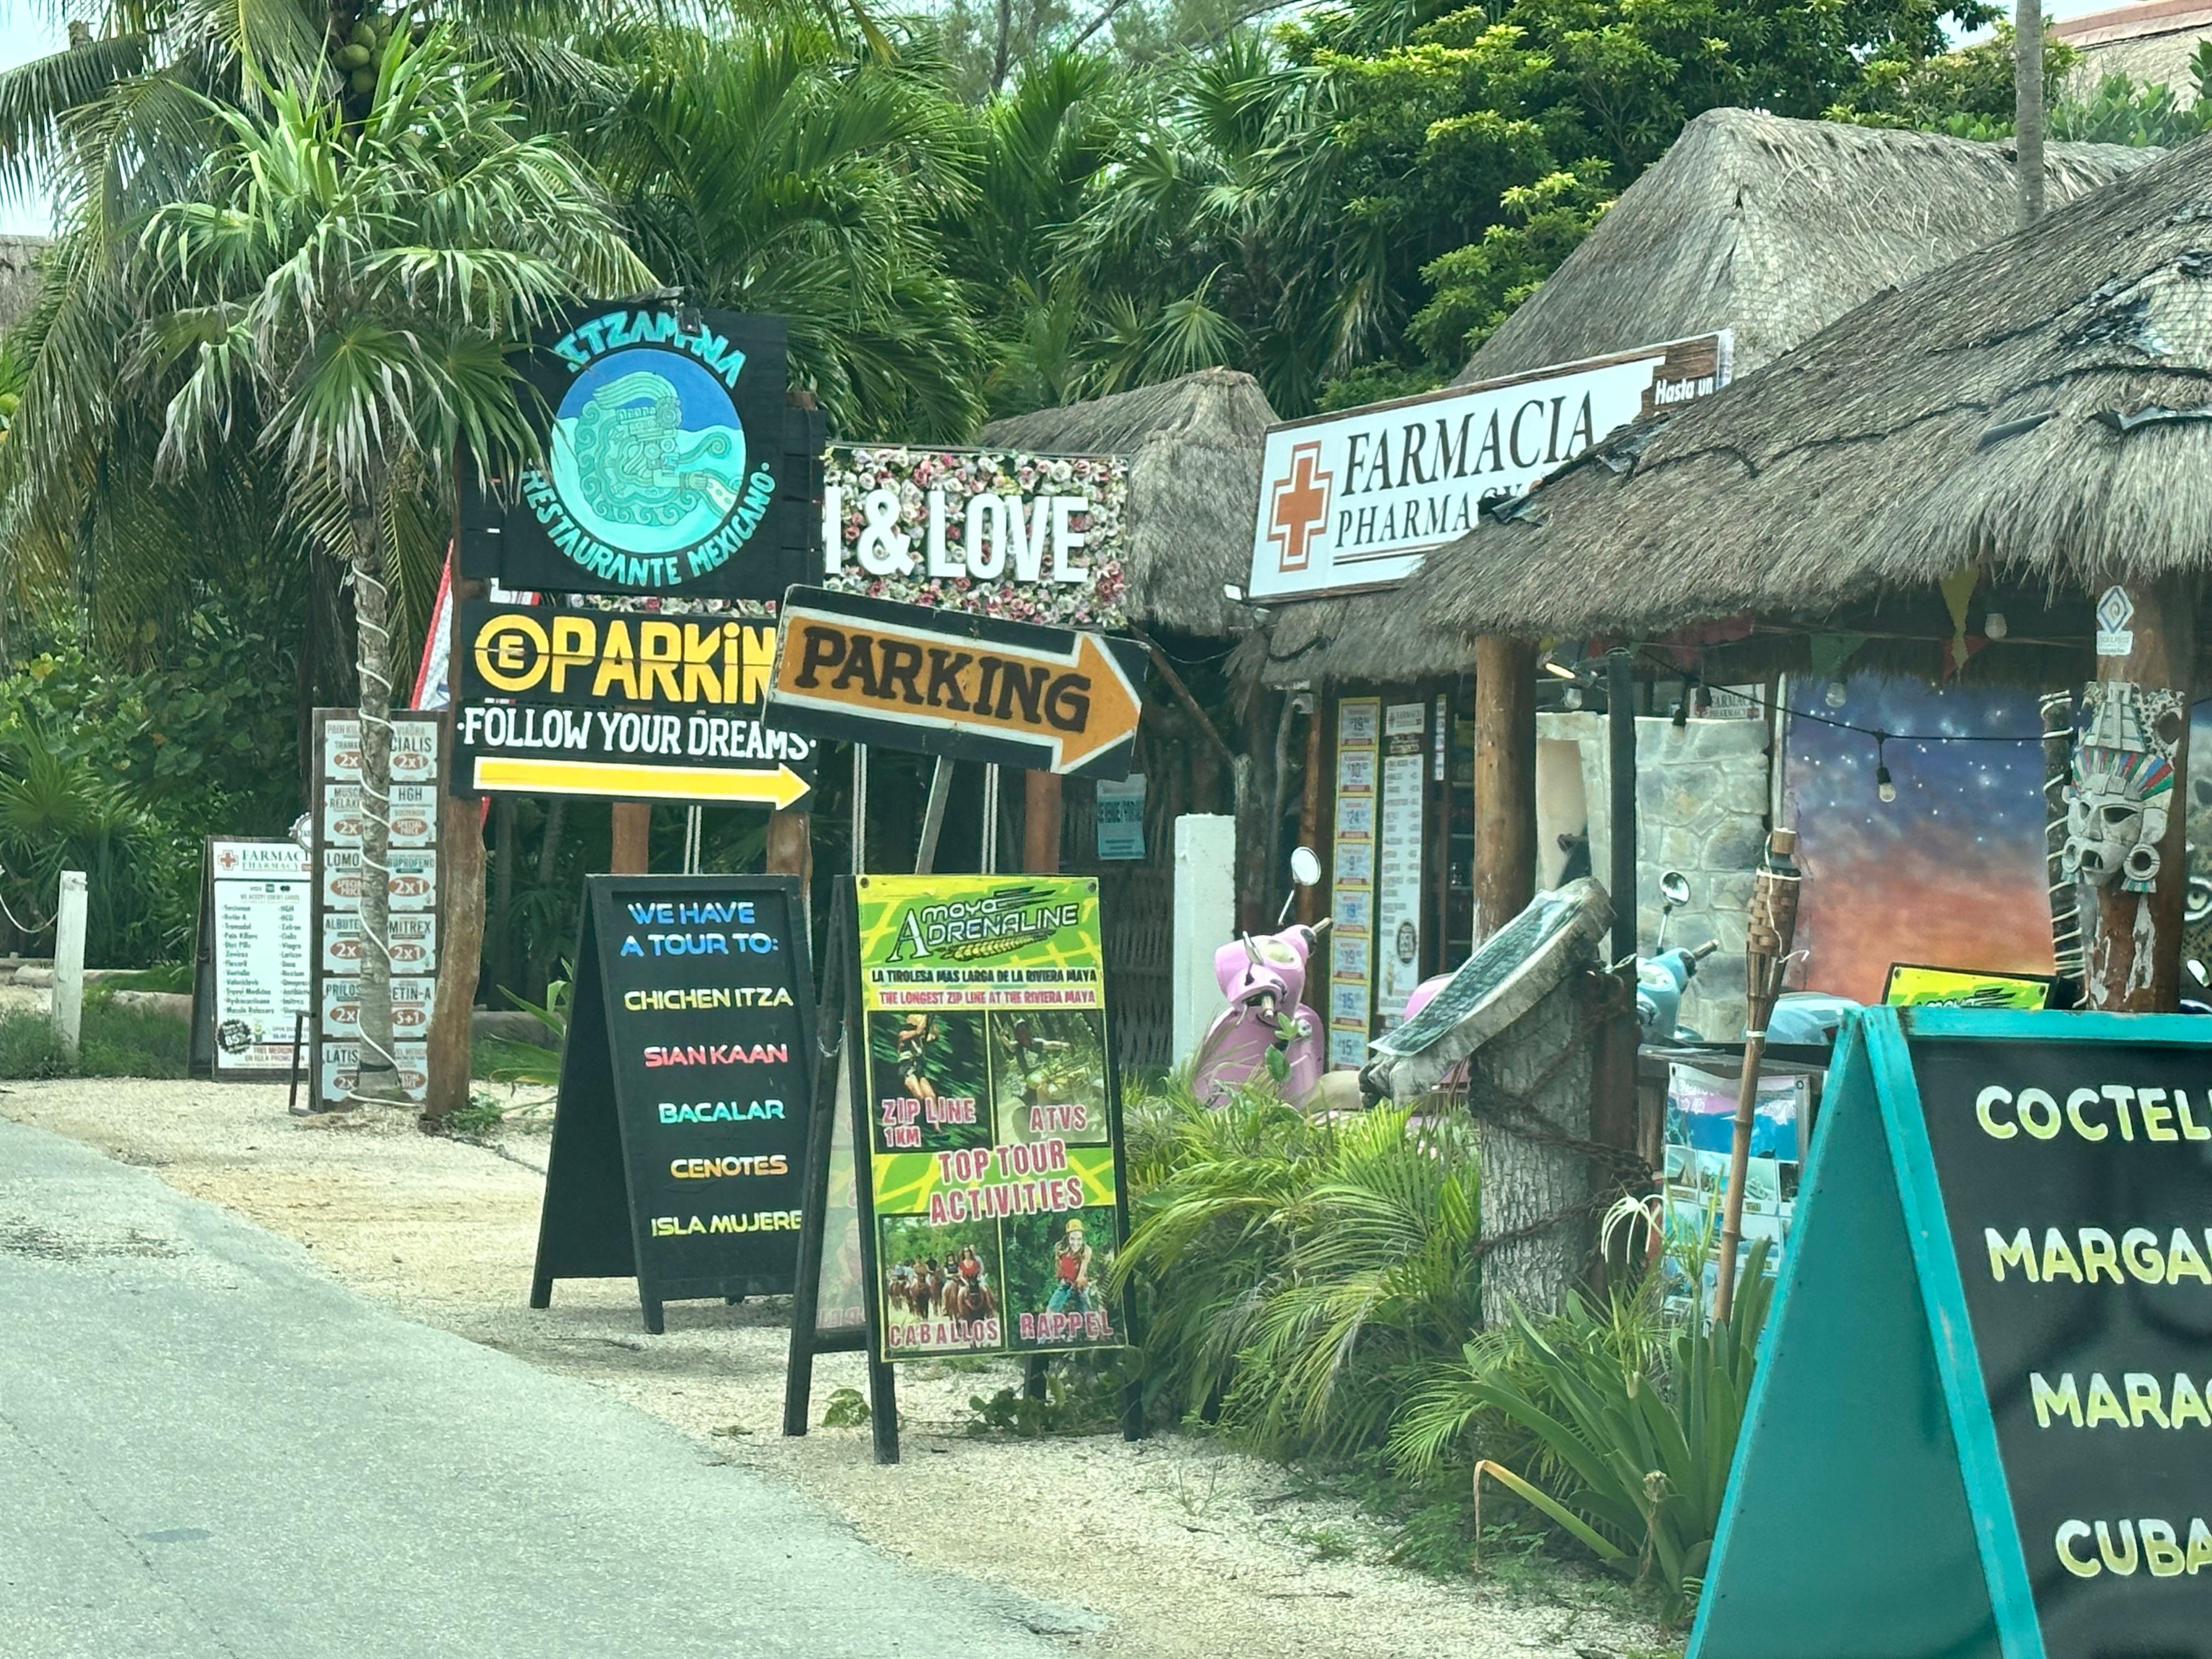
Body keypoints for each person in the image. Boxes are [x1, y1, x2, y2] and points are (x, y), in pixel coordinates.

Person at [1046, 1219, 1093, 1316]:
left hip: (1080, 1286)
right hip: (1066, 1284)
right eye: (1072, 1239)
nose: (1076, 1243)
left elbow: (1082, 1272)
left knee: (1088, 1313)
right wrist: (1061, 1279)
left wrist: (1078, 1285)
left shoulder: (1086, 1250)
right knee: (1050, 1311)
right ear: (1068, 1238)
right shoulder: (1060, 1248)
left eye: (1079, 1239)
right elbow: (1058, 1268)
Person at [894, 1013, 938, 1104]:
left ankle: (934, 1114)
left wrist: (933, 1021)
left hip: (919, 1068)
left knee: (931, 1096)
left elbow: (935, 1037)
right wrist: (926, 1016)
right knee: (920, 1096)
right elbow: (918, 1032)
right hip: (907, 1067)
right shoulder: (904, 1035)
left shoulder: (920, 1040)